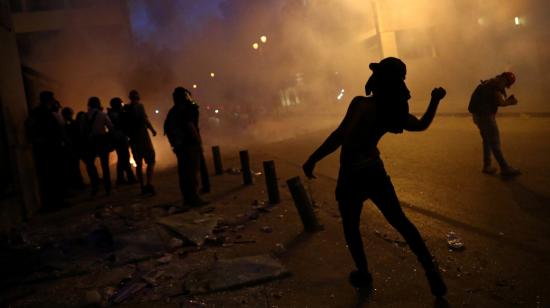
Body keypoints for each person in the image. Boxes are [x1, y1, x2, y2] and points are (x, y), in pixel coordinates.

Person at [302, 57, 447, 296]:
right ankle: (431, 271)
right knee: (401, 222)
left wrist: (313, 159)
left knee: (351, 227)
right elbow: (421, 125)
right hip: (374, 172)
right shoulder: (391, 111)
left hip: (351, 176)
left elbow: (340, 136)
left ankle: (363, 273)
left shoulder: (362, 104)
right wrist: (434, 101)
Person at [468, 72, 521, 176]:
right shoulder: (496, 86)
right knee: (495, 142)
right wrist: (511, 102)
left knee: (487, 141)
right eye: (507, 84)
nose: (506, 86)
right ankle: (505, 168)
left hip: (477, 116)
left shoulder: (487, 83)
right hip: (487, 117)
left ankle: (487, 166)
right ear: (505, 80)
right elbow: (499, 102)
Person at [164, 87, 209, 207]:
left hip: (179, 146)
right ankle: (193, 199)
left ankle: (187, 198)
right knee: (191, 173)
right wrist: (198, 141)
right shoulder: (185, 109)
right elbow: (190, 126)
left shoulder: (173, 111)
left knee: (184, 173)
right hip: (189, 145)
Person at [26, 91, 67, 211]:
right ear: (48, 100)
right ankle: (53, 203)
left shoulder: (46, 112)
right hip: (47, 149)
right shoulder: (39, 113)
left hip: (51, 147)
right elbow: (30, 126)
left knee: (55, 175)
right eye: (52, 99)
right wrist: (37, 140)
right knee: (50, 176)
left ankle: (57, 201)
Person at [122, 90, 157, 195]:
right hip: (143, 137)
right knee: (151, 160)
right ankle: (149, 184)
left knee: (138, 163)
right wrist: (152, 130)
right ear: (138, 97)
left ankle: (142, 186)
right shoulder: (140, 107)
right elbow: (145, 120)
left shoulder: (125, 109)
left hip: (133, 139)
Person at [82, 97, 113, 196]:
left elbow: (81, 131)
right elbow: (111, 127)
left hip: (89, 142)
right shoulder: (102, 115)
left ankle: (95, 187)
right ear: (98, 104)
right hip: (102, 141)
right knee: (105, 165)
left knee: (90, 164)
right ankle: (108, 188)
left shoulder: (84, 116)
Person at [107, 97, 136, 186]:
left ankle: (121, 179)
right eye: (120, 104)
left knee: (121, 158)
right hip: (120, 137)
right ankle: (129, 178)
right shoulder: (115, 114)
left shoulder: (111, 113)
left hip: (117, 137)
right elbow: (121, 123)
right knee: (125, 157)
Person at [61, 107, 85, 189]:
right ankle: (79, 183)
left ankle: (78, 183)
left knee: (74, 166)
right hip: (74, 147)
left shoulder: (67, 124)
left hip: (73, 147)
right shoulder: (70, 124)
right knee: (75, 166)